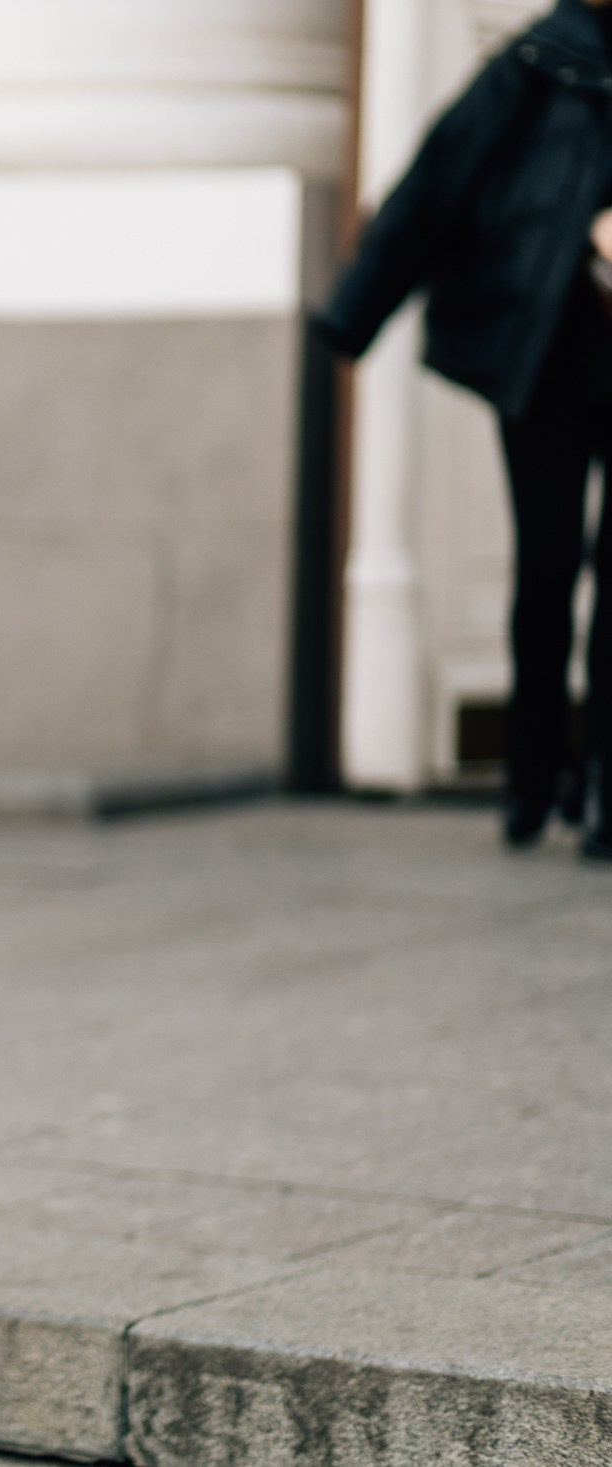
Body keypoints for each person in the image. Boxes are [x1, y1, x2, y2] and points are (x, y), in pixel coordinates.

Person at [320, 0, 612, 858]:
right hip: (549, 357)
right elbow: (440, 179)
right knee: (549, 564)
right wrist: (354, 310)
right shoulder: (542, 58)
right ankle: (533, 775)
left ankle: (603, 786)